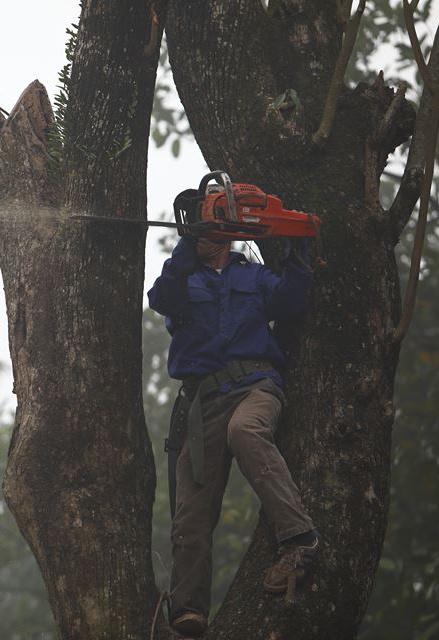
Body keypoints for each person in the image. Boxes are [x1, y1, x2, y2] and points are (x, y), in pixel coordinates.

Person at [148, 234, 320, 638]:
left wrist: (299, 250)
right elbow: (162, 299)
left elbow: (292, 299)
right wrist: (185, 253)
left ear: (228, 237)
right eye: (201, 231)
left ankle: (300, 540)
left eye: (215, 230)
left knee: (245, 431)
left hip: (255, 386)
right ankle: (188, 610)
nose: (208, 237)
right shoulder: (182, 279)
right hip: (203, 403)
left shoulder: (254, 276)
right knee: (190, 509)